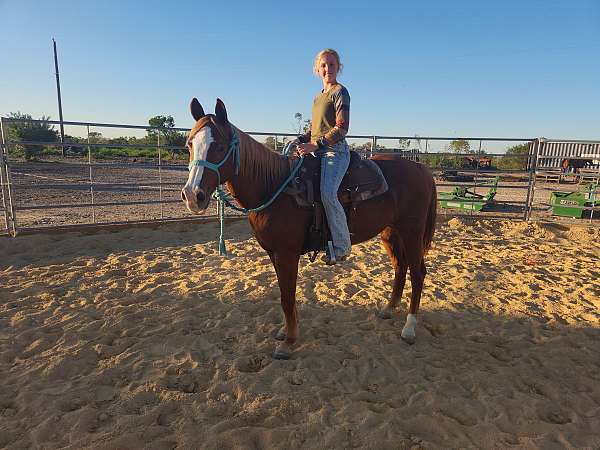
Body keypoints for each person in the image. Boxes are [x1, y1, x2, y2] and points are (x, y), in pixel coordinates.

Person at [295, 48, 352, 265]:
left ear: (338, 67)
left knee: (328, 193)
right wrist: (301, 139)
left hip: (334, 151)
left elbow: (341, 128)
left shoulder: (340, 92)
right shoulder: (318, 97)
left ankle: (342, 246)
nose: (328, 68)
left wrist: (315, 145)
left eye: (332, 64)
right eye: (324, 65)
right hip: (318, 149)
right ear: (317, 69)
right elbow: (317, 128)